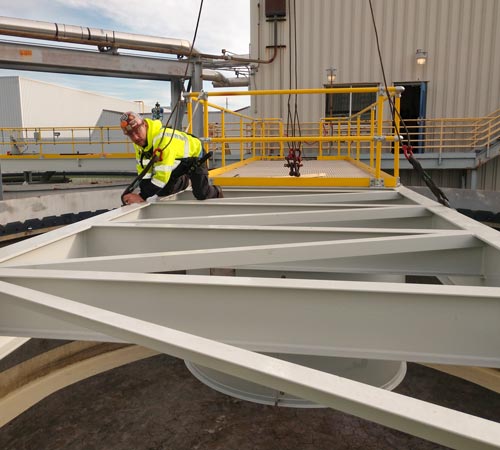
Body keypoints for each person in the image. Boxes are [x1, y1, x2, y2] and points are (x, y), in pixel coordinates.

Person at [120, 111, 223, 204]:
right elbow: (144, 170)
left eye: (137, 131)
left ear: (145, 125)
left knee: (202, 194)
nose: (135, 137)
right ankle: (184, 181)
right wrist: (142, 193)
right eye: (130, 135)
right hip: (179, 161)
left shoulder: (162, 139)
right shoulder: (139, 145)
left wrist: (142, 196)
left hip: (195, 156)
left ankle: (217, 191)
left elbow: (161, 178)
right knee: (163, 191)